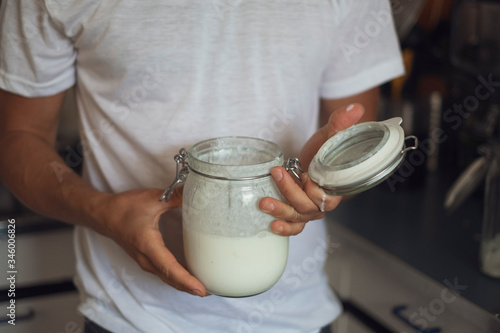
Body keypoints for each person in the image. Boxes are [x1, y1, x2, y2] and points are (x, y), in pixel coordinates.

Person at [0, 0, 404, 332]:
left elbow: (352, 137)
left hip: (295, 315)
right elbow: (19, 137)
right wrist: (101, 211)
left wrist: (323, 184)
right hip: (131, 316)